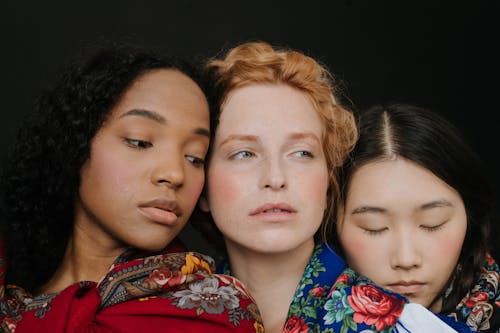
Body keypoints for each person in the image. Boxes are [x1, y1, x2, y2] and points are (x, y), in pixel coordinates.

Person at [195, 41, 469, 333]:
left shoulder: (412, 328)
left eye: (302, 153)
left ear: (329, 180)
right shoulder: (162, 316)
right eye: (244, 154)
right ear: (201, 180)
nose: (275, 178)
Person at [0, 45, 262, 332]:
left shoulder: (215, 313)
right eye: (140, 142)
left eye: (195, 157)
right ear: (75, 144)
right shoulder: (9, 299)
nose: (174, 174)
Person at [335, 103, 500, 332]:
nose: (406, 258)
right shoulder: (298, 315)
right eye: (374, 227)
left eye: (433, 223)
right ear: (331, 220)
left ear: (469, 217)